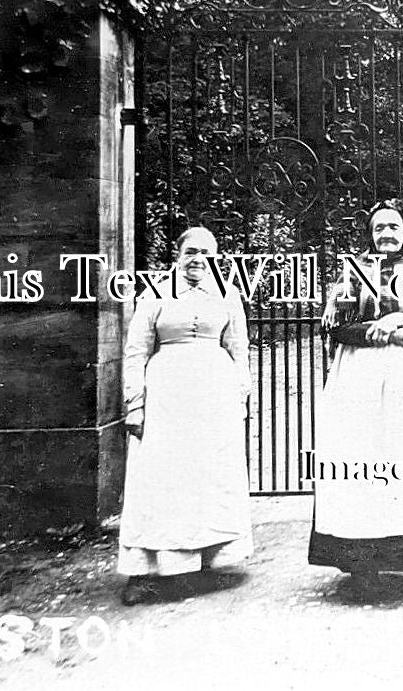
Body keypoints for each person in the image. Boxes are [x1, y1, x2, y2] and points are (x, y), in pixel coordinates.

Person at [308, 201, 403, 593]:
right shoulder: (353, 273)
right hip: (359, 377)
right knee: (362, 461)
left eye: (393, 227)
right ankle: (363, 566)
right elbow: (337, 327)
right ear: (370, 234)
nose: (386, 234)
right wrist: (386, 332)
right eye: (379, 229)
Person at [117, 226, 253, 605]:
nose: (198, 260)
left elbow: (239, 350)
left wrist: (239, 398)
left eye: (206, 253)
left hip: (214, 401)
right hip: (166, 401)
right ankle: (143, 571)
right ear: (177, 254)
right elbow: (135, 353)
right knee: (159, 478)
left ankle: (205, 563)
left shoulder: (227, 295)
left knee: (206, 478)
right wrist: (135, 405)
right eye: (191, 251)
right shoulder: (155, 294)